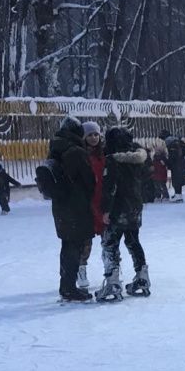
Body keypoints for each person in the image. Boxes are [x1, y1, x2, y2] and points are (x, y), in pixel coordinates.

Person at [96, 127, 152, 301]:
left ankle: (112, 280)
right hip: (135, 205)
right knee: (133, 240)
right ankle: (142, 276)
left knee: (110, 243)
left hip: (117, 207)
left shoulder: (113, 160)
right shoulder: (139, 158)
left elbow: (110, 187)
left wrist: (105, 209)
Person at [48, 117, 97, 302]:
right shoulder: (76, 151)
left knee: (67, 245)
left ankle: (66, 285)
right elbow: (88, 180)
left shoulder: (56, 148)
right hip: (76, 205)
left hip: (60, 205)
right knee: (74, 247)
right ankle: (69, 288)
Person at [79, 121, 107, 290]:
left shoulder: (105, 153)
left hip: (103, 200)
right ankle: (81, 271)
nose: (93, 138)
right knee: (85, 241)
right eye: (90, 135)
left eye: (96, 134)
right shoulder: (81, 154)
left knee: (107, 239)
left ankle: (110, 270)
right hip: (87, 201)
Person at [158, 129, 185, 202]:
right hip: (181, 163)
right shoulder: (177, 141)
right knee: (178, 179)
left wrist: (166, 161)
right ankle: (178, 195)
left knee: (176, 180)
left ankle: (178, 196)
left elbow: (172, 157)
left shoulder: (171, 144)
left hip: (176, 165)